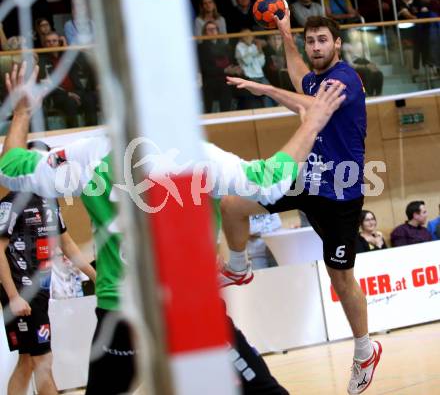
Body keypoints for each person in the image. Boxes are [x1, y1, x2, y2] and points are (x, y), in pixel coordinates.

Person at [0, 62, 346, 394]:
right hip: (188, 308)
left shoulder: (88, 154)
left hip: (122, 313)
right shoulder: (195, 155)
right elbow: (269, 183)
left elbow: (11, 169)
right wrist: (312, 124)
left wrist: (23, 113)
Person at [225, 14, 381, 394]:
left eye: (322, 40)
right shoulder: (313, 76)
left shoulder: (344, 79)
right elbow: (299, 77)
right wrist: (285, 35)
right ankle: (237, 266)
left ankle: (365, 350)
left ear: (337, 44)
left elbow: (311, 106)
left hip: (341, 194)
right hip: (306, 178)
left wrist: (266, 90)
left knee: (340, 278)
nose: (315, 47)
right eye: (310, 41)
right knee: (232, 203)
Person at [0, 140, 95, 395]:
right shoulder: (10, 204)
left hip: (40, 294)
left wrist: (97, 276)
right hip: (22, 294)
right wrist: (13, 297)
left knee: (28, 362)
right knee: (43, 361)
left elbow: (69, 245)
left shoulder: (50, 202)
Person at [39, 31, 99, 127]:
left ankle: (93, 131)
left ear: (59, 42)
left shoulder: (68, 57)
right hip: (58, 95)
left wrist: (66, 46)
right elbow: (46, 84)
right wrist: (67, 94)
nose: (51, 44)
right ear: (44, 44)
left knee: (90, 99)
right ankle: (74, 134)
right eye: (48, 41)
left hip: (76, 91)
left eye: (54, 41)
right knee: (70, 102)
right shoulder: (42, 61)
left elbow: (83, 62)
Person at [197, 21, 241, 112]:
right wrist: (224, 70)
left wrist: (235, 68)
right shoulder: (201, 48)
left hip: (226, 80)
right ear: (205, 32)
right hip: (209, 81)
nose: (213, 31)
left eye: (214, 29)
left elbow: (232, 62)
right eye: (209, 30)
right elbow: (205, 68)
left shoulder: (225, 46)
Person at [235, 30, 276, 108]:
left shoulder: (254, 46)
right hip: (249, 77)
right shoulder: (239, 47)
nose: (250, 37)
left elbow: (261, 63)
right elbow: (247, 61)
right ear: (242, 37)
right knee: (267, 93)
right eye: (247, 36)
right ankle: (269, 112)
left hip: (260, 75)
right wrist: (251, 47)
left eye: (251, 35)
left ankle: (273, 112)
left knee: (271, 92)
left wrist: (260, 51)